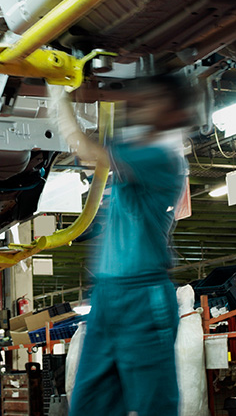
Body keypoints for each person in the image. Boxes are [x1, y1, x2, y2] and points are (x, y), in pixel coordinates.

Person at [54, 74, 196, 416]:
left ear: (175, 113)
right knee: (88, 406)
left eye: (154, 101)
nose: (142, 105)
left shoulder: (162, 157)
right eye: (142, 99)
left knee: (153, 407)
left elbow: (86, 150)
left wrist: (56, 94)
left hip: (143, 299)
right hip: (106, 298)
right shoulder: (132, 151)